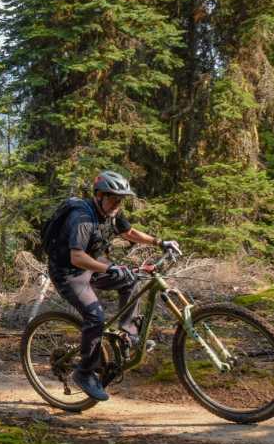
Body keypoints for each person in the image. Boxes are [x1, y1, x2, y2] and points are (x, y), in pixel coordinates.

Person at [43, 170, 180, 402]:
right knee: (95, 317)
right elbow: (76, 257)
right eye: (113, 199)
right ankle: (84, 372)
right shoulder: (82, 218)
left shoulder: (111, 213)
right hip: (69, 273)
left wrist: (160, 242)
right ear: (99, 195)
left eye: (121, 199)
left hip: (93, 264)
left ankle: (129, 335)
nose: (117, 204)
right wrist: (108, 268)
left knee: (131, 279)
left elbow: (129, 232)